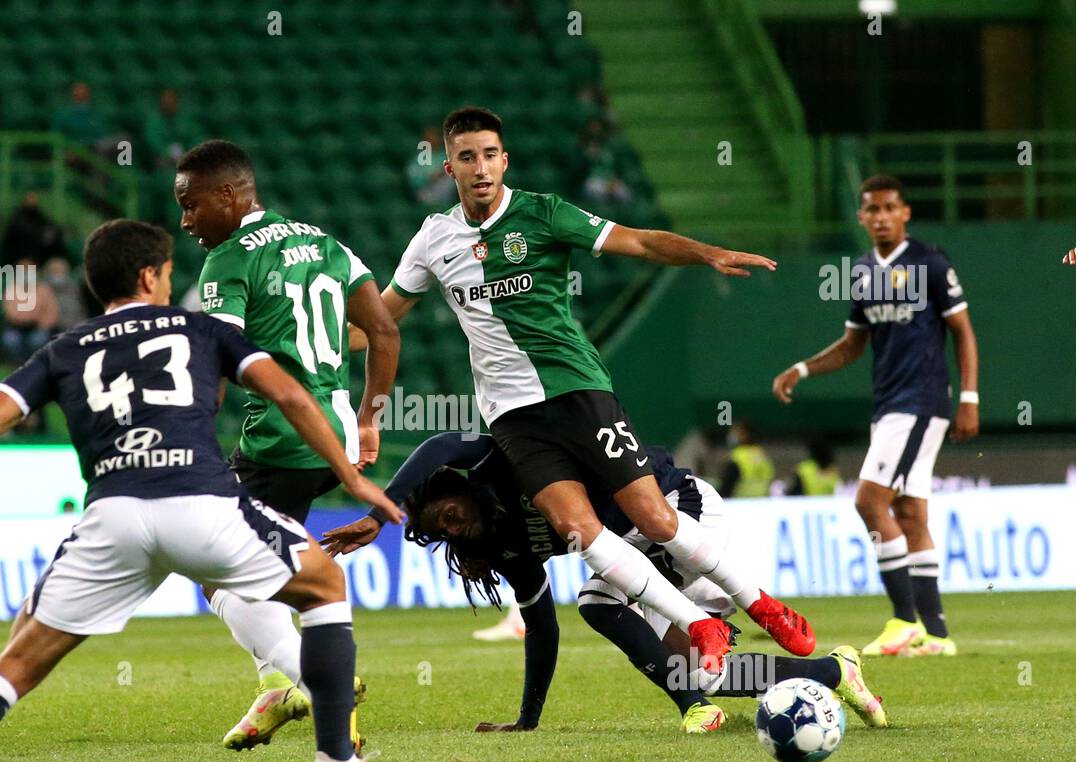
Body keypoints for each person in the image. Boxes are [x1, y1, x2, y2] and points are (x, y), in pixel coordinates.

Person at [0, 219, 408, 762]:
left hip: (113, 520)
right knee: (323, 584)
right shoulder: (202, 329)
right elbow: (291, 395)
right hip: (203, 508)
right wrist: (349, 474)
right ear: (149, 275)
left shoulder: (64, 349)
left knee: (15, 664)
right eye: (165, 271)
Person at [364, 106, 797, 676]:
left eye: (490, 154)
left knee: (653, 516)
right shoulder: (433, 240)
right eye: (467, 157)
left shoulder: (543, 214)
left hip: (576, 390)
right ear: (449, 168)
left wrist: (705, 253)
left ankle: (760, 603)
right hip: (512, 418)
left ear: (504, 160)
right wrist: (308, 349)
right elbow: (380, 322)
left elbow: (639, 243)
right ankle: (699, 625)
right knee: (579, 532)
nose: (481, 167)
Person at [318, 433, 851, 737]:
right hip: (643, 545)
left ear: (448, 491)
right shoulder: (511, 551)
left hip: (676, 510)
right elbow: (541, 629)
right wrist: (526, 720)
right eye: (444, 533)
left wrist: (379, 510)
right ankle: (832, 671)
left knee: (597, 600)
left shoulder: (497, 463)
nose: (452, 526)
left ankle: (694, 706)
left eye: (447, 514)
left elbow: (437, 446)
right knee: (697, 670)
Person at [174, 140, 401, 751]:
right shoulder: (325, 242)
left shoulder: (227, 261)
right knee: (257, 568)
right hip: (337, 440)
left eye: (191, 205)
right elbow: (382, 329)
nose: (186, 221)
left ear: (228, 195)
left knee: (213, 566)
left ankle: (314, 678)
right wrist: (371, 418)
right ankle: (275, 683)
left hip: (281, 440)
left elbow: (218, 359)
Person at [772, 175, 979, 658]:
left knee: (868, 502)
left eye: (890, 207)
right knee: (909, 513)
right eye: (872, 209)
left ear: (905, 212)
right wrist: (803, 368)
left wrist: (969, 396)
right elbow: (852, 345)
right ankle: (938, 635)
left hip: (921, 401)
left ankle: (903, 619)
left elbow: (963, 332)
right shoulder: (862, 271)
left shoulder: (930, 262)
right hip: (889, 404)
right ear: (862, 217)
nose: (881, 216)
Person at [0, 259, 59, 364]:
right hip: (17, 327)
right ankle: (19, 364)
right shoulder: (12, 289)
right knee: (11, 341)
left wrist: (42, 325)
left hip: (38, 327)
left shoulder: (44, 290)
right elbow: (9, 310)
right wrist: (21, 320)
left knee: (37, 341)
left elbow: (51, 312)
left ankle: (35, 364)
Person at [718, 420, 775, 498]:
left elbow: (725, 488)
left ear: (745, 434)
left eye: (737, 432)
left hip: (740, 504)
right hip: (762, 504)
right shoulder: (763, 455)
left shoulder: (737, 457)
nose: (734, 435)